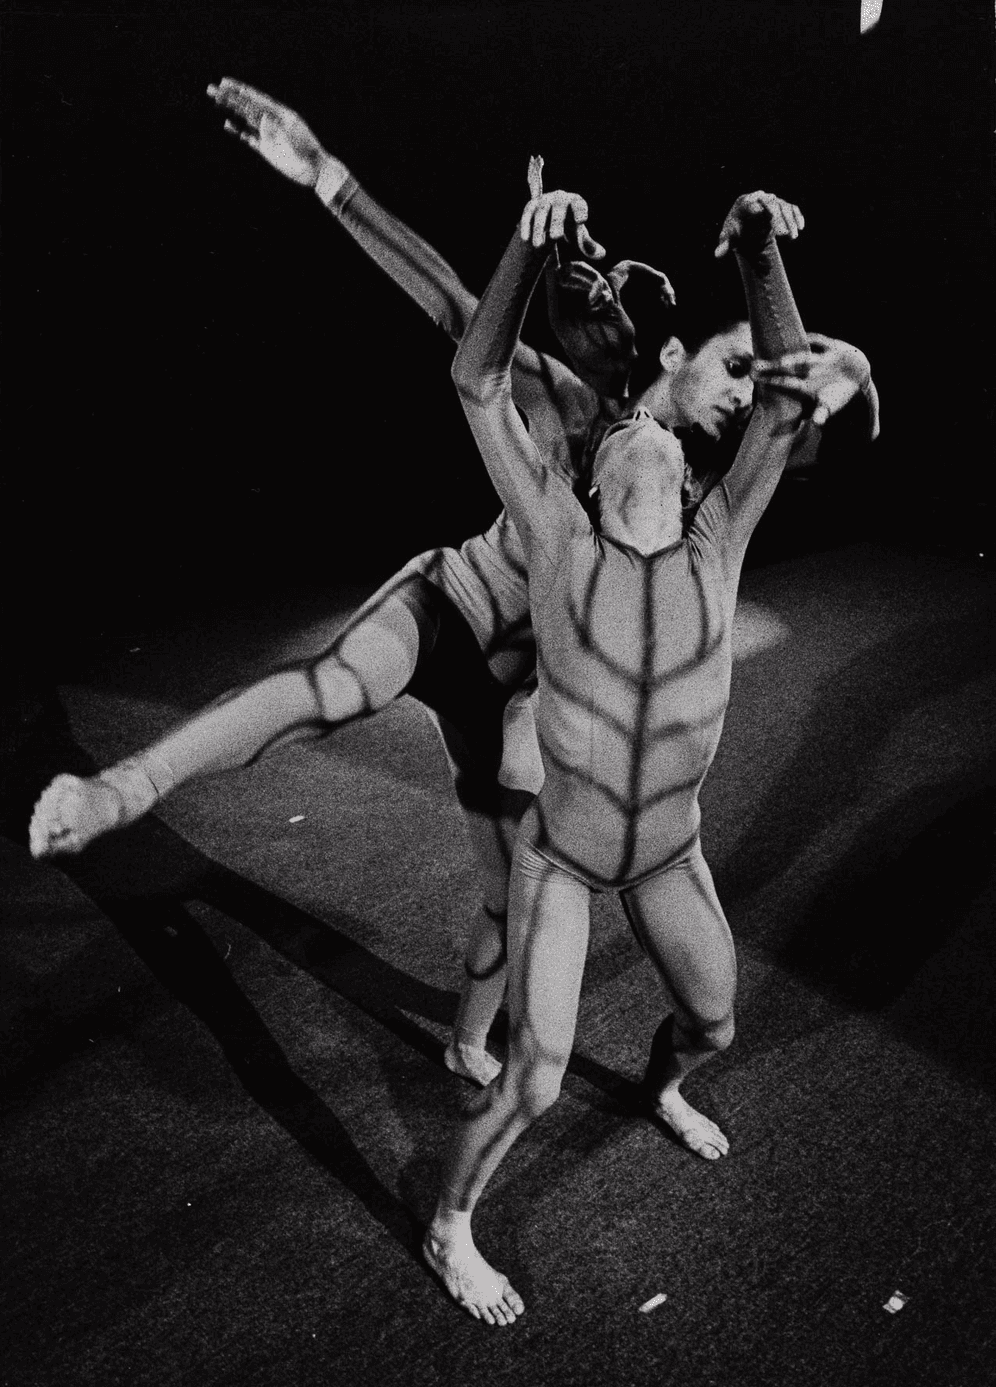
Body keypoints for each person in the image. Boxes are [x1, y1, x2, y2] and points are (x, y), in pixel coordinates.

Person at [29, 81, 876, 1089]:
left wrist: (847, 365)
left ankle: (468, 1037)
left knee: (505, 887)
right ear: (679, 355)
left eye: (753, 385)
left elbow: (793, 419)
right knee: (332, 687)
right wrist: (328, 178)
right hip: (453, 608)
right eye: (734, 372)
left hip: (511, 683)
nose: (744, 397)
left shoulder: (694, 495)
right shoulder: (567, 399)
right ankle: (121, 787)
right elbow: (450, 307)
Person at [421, 181, 821, 1325]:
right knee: (538, 1072)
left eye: (660, 431)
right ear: (589, 482)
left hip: (670, 859)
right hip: (564, 858)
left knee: (715, 1024)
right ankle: (453, 1227)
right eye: (617, 435)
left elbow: (783, 412)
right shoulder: (556, 539)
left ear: (688, 474)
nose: (638, 428)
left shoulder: (717, 543)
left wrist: (754, 252)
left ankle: (660, 1090)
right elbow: (475, 378)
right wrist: (519, 240)